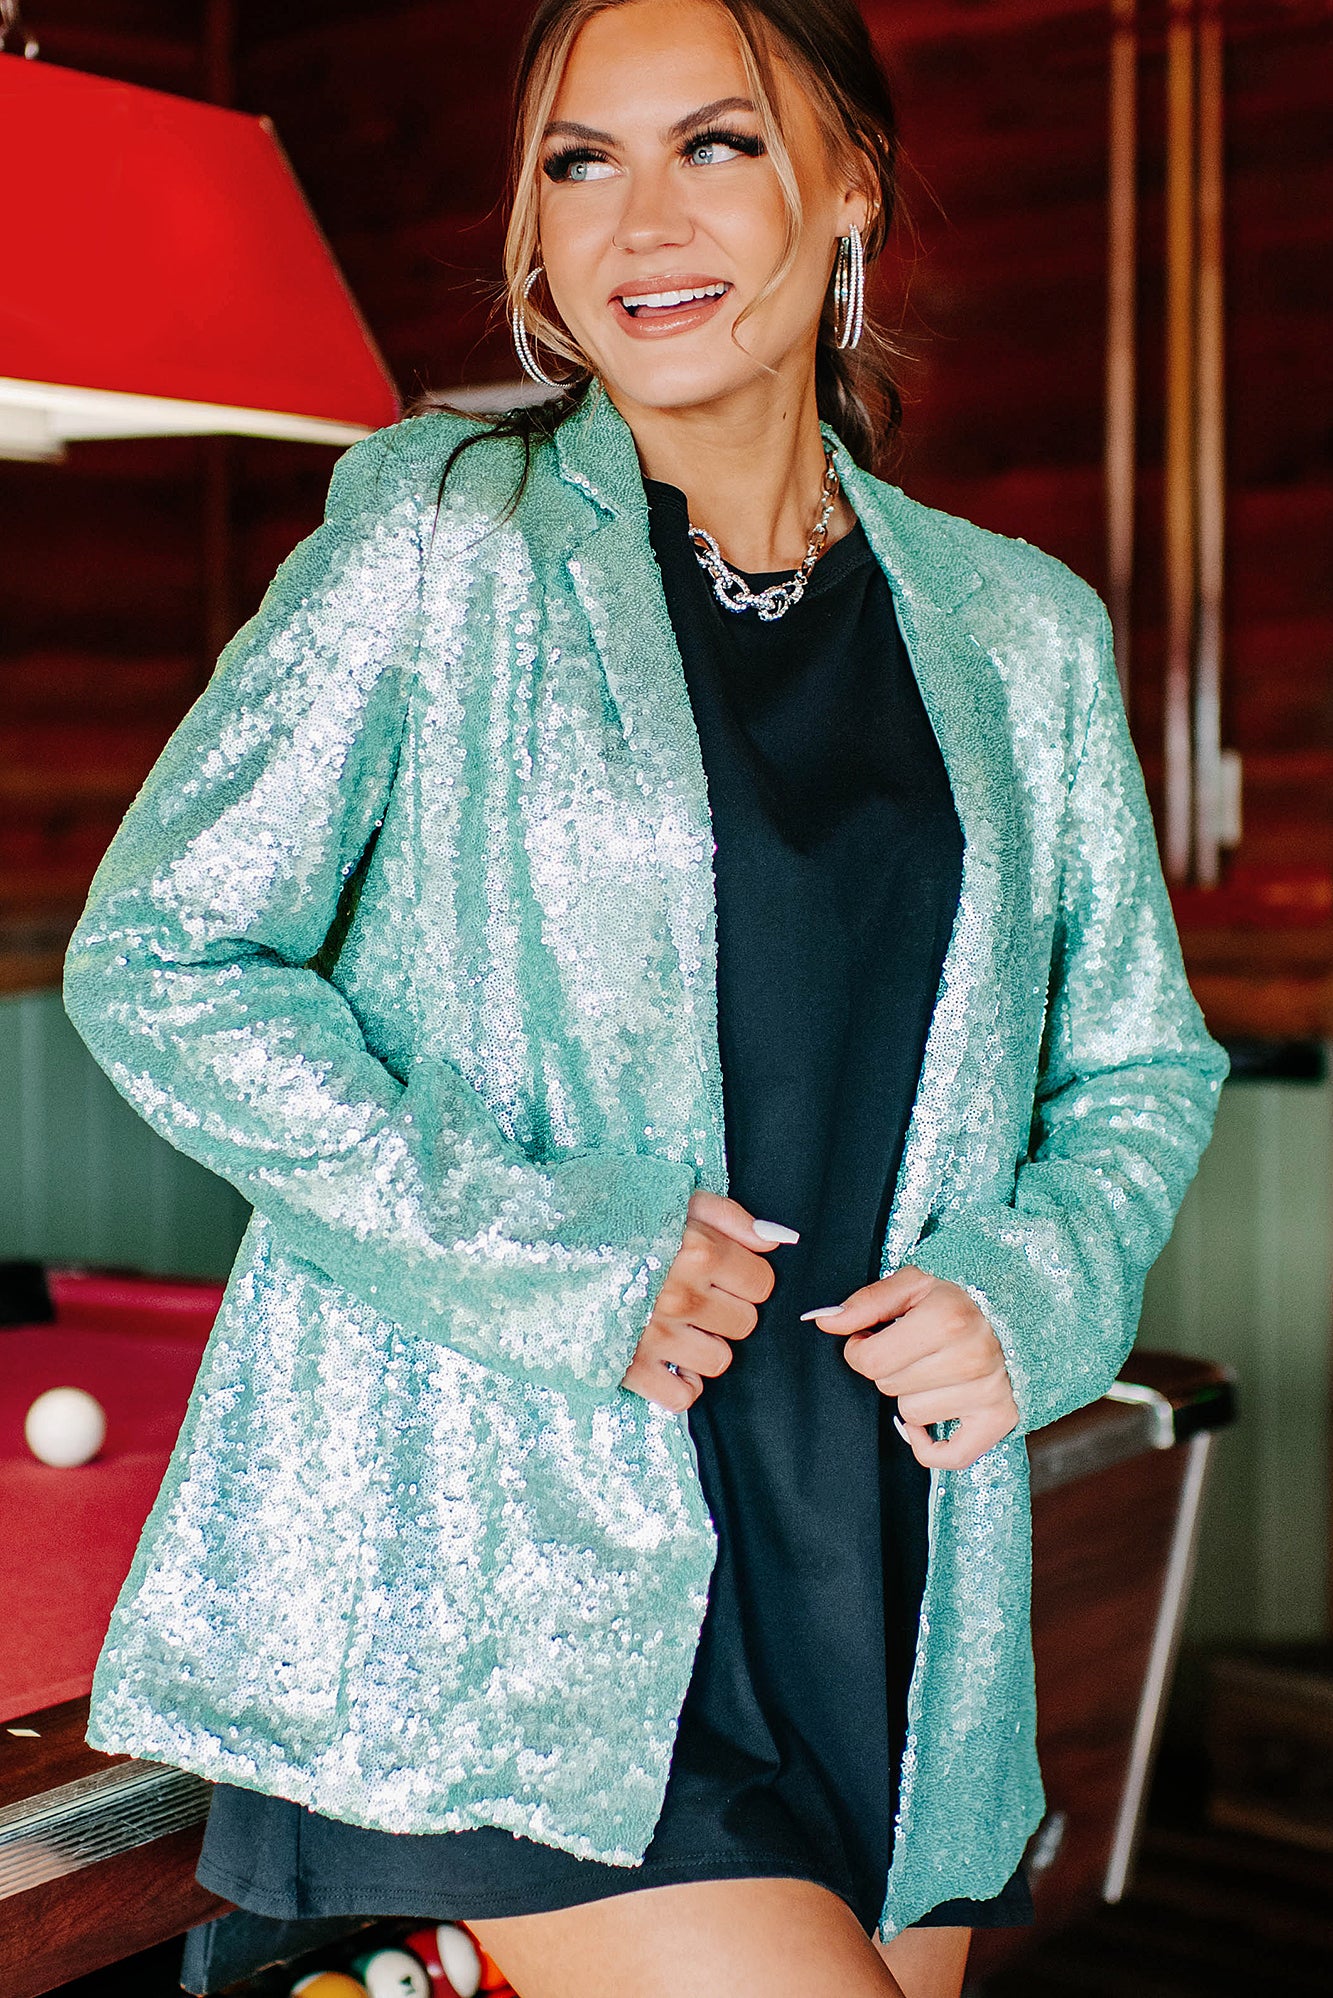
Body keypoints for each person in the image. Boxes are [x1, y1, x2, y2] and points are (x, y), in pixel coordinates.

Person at [62, 1, 1228, 1994]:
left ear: (852, 185)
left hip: (883, 1574)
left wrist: (1033, 1290)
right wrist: (557, 1252)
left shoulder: (1019, 630)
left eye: (718, 144)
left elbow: (1133, 1064)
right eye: (578, 162)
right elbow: (161, 956)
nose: (639, 220)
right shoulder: (447, 534)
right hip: (515, 1584)